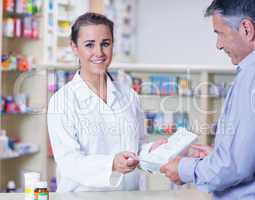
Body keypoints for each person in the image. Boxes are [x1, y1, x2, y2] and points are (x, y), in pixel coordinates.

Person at [160, 0, 255, 199]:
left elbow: (233, 166)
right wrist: (218, 157)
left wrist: (183, 168)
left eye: (220, 33)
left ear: (246, 28)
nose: (219, 45)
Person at [47, 12, 166, 192]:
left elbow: (138, 147)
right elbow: (69, 161)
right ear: (74, 47)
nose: (99, 53)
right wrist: (112, 164)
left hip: (128, 195)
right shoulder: (62, 101)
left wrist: (152, 151)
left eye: (105, 44)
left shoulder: (128, 95)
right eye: (89, 45)